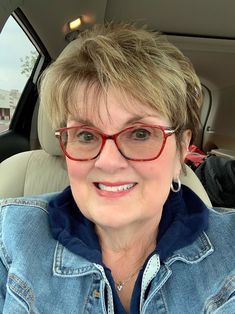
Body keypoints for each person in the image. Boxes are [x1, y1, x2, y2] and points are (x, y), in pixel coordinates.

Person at [1, 23, 235, 314]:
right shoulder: (10, 238)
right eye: (86, 135)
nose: (108, 162)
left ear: (181, 151)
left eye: (140, 134)